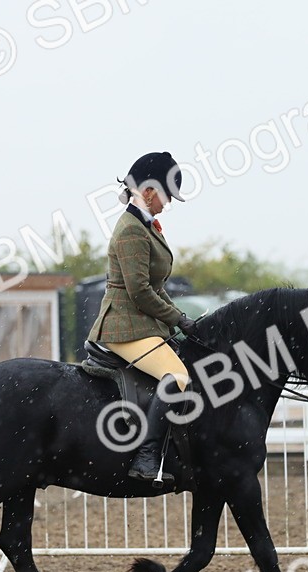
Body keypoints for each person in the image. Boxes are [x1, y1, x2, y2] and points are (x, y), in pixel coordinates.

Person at [87, 151, 200, 487]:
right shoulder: (131, 231)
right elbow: (138, 292)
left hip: (143, 324)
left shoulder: (144, 225)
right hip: (124, 326)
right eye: (166, 196)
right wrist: (178, 319)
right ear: (149, 191)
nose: (168, 204)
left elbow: (155, 286)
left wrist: (181, 319)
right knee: (177, 375)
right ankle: (147, 456)